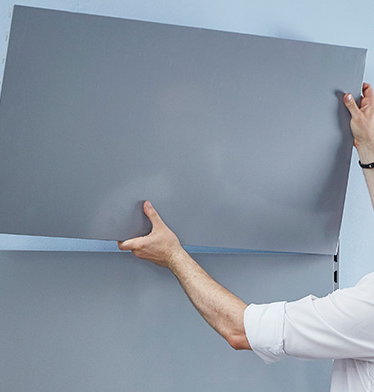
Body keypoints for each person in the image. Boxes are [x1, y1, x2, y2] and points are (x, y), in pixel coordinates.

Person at [118, 83, 374, 392]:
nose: (181, 132)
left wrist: (173, 256)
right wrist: (369, 152)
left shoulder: (368, 310)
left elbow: (240, 330)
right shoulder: (123, 201)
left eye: (192, 120)